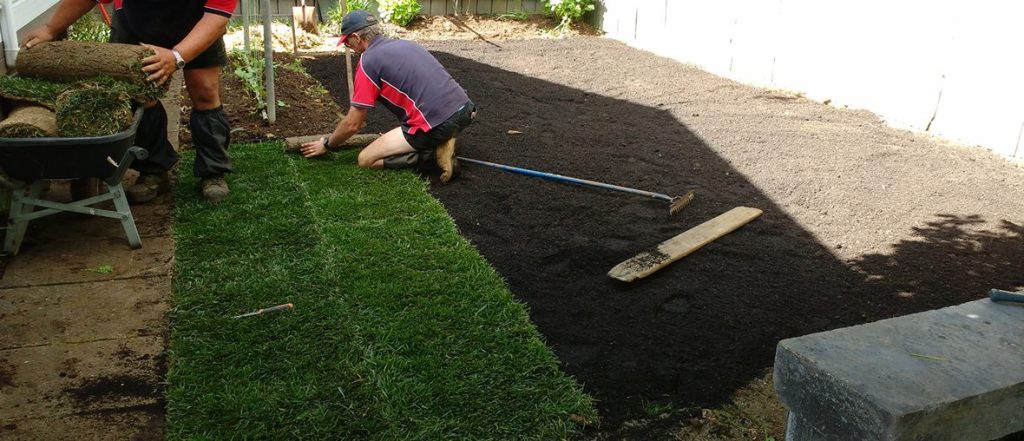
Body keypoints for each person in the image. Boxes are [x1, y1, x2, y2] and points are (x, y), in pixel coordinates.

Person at [23, 0, 236, 203]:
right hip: (137, 22)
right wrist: (50, 29)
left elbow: (216, 16)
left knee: (205, 92)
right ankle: (153, 171)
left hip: (197, 22)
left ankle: (213, 171)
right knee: (140, 95)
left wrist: (175, 56)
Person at [299, 10, 475, 182]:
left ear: (356, 38)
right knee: (407, 135)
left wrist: (327, 144)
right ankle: (440, 140)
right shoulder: (405, 44)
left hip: (438, 124)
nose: (350, 47)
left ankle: (434, 156)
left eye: (348, 43)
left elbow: (353, 124)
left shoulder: (368, 62)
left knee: (366, 160)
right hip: (465, 110)